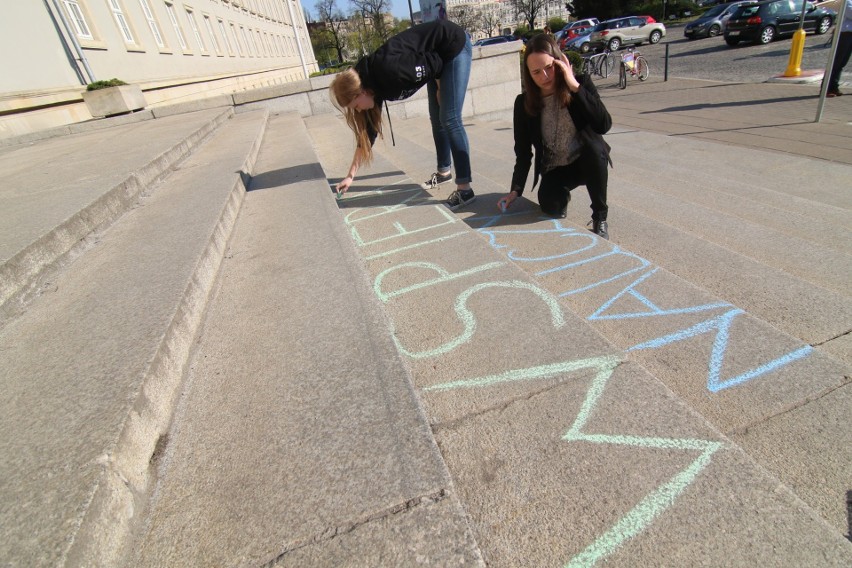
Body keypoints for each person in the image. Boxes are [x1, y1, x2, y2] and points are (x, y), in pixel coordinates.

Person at [329, 19, 476, 211]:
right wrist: (350, 176)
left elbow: (436, 65)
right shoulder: (371, 84)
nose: (357, 110)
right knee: (437, 117)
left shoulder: (391, 72)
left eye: (355, 105)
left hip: (452, 46)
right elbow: (367, 136)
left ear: (361, 92)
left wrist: (440, 88)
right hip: (434, 56)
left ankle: (465, 190)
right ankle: (444, 172)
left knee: (449, 117)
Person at [497, 34, 613, 239]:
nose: (544, 76)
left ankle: (600, 216)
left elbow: (603, 124)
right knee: (550, 204)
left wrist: (574, 86)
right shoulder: (523, 104)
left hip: (587, 160)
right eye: (536, 72)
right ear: (529, 75)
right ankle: (561, 195)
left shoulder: (580, 84)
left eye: (549, 67)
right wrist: (515, 190)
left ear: (559, 61)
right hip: (556, 166)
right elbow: (523, 152)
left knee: (595, 151)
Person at [826, 0, 851, 97]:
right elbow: (850, 12)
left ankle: (834, 87)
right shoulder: (846, 1)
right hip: (845, 33)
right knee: (837, 61)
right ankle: (828, 88)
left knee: (843, 62)